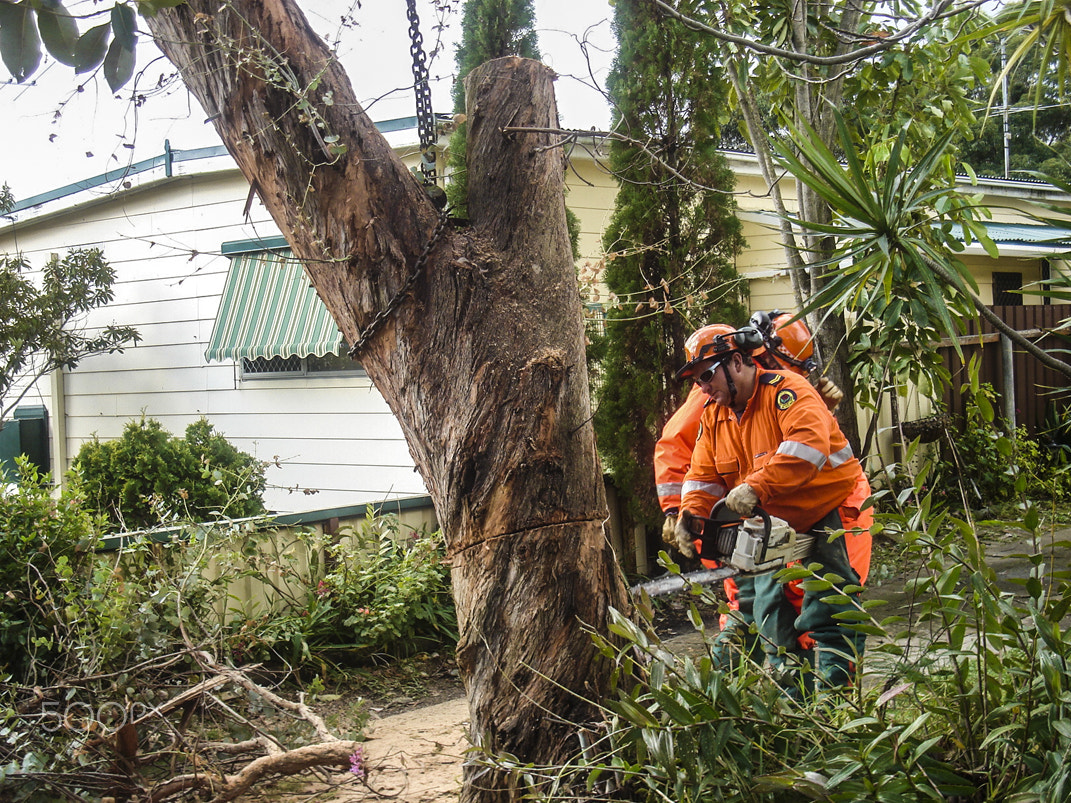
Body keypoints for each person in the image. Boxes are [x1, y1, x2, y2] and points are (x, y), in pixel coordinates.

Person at [655, 314, 872, 664]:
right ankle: (788, 702)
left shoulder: (787, 390)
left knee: (831, 613)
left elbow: (806, 446)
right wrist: (686, 514)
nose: (703, 387)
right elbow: (701, 475)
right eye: (697, 381)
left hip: (822, 512)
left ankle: (836, 707)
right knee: (768, 620)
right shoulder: (714, 411)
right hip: (768, 524)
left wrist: (756, 487)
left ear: (738, 361)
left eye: (706, 377)